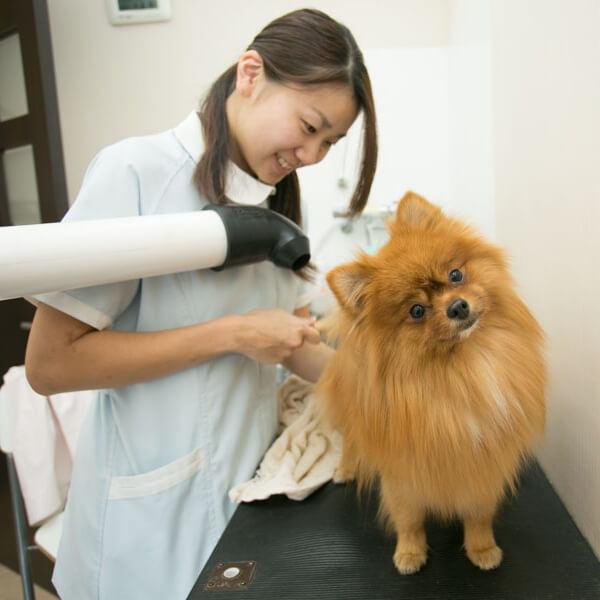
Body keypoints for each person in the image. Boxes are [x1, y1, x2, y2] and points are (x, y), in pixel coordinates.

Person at [25, 8, 378, 600]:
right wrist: (232, 333)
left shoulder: (281, 206)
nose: (314, 155)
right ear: (250, 74)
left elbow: (289, 339)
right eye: (309, 126)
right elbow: (50, 366)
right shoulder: (134, 173)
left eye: (330, 142)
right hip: (150, 507)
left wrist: (386, 394)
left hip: (248, 491)